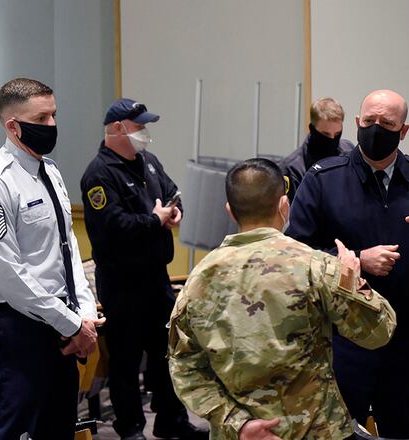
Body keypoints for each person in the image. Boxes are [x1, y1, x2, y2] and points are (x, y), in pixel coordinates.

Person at [168, 158, 397, 440]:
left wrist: (238, 423)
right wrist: (350, 280)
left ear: (230, 210)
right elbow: (379, 331)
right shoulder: (316, 266)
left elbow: (184, 367)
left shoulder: (198, 279)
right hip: (315, 431)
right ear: (284, 205)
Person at [287, 90, 409, 439]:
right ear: (357, 123)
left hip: (406, 338)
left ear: (403, 131)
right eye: (369, 121)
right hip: (342, 339)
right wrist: (356, 261)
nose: (376, 129)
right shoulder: (324, 179)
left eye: (387, 123)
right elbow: (295, 257)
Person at [0, 77, 102, 439]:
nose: (52, 125)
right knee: (6, 433)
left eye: (54, 115)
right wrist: (71, 324)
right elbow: (8, 275)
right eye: (41, 119)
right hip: (16, 330)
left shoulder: (50, 171)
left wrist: (84, 313)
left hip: (60, 325)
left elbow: (67, 248)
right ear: (13, 126)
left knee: (57, 429)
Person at [80, 99, 207, 440]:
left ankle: (171, 419)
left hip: (155, 277)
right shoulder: (99, 174)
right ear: (118, 128)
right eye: (139, 127)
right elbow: (114, 228)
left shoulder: (148, 161)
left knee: (168, 352)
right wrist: (154, 220)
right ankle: (131, 427)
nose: (145, 133)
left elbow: (172, 192)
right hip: (122, 282)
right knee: (126, 358)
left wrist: (175, 211)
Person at [279, 97, 354, 201]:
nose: (332, 139)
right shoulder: (292, 169)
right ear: (312, 128)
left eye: (337, 134)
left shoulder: (348, 150)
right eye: (326, 134)